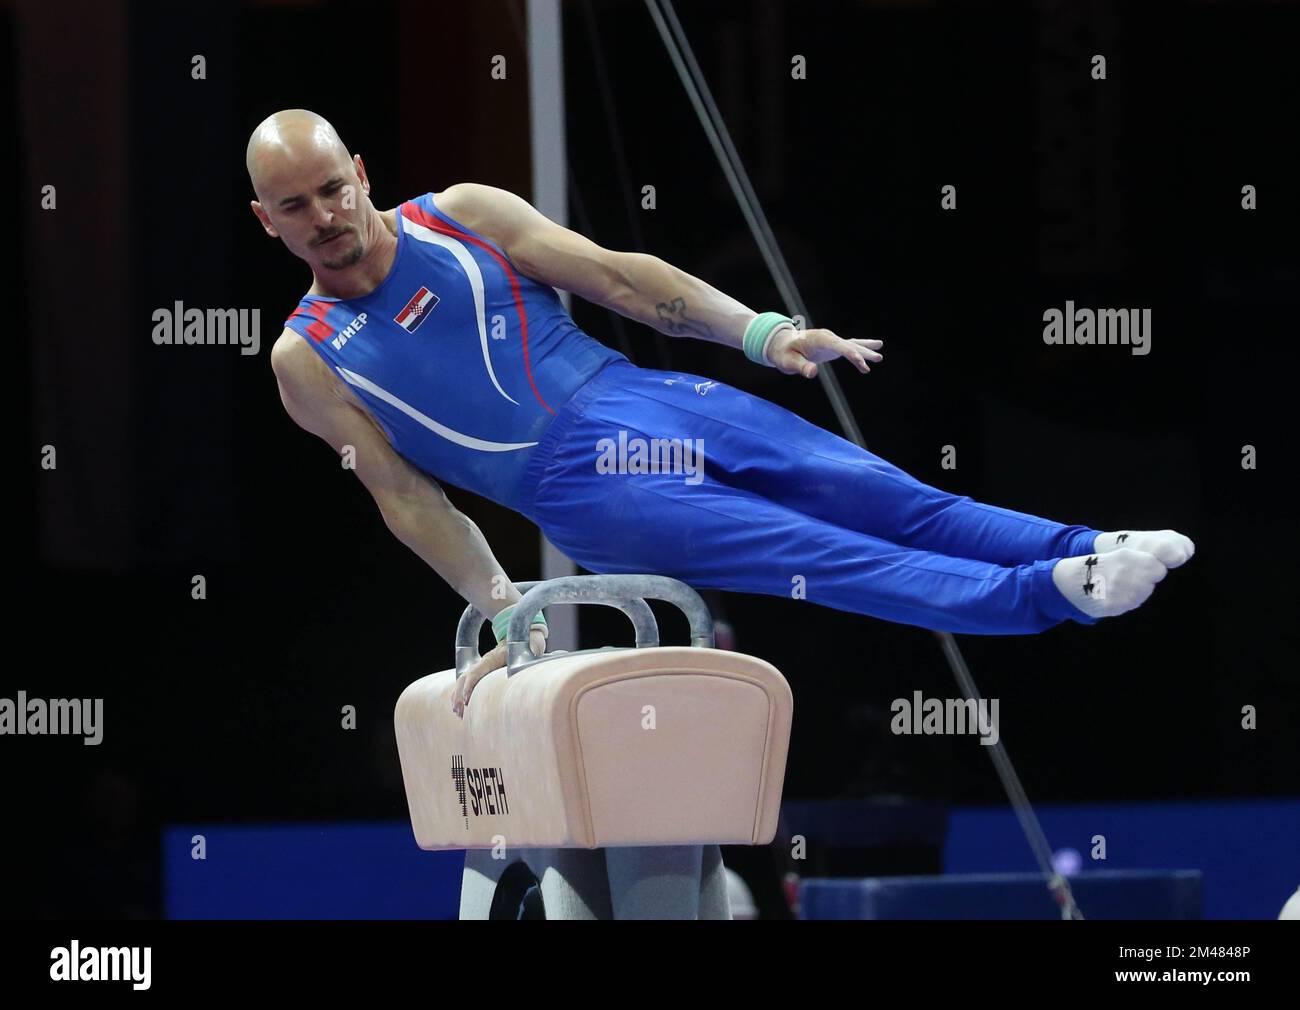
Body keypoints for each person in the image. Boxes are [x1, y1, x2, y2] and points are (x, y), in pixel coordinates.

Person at [249, 110, 1194, 713]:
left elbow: (621, 278)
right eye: (296, 207)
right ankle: (1046, 598)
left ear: (361, 170)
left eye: (333, 188)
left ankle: (1086, 545)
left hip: (644, 394)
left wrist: (760, 333)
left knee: (879, 493)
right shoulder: (309, 356)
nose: (325, 215)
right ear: (268, 221)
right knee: (824, 555)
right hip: (582, 491)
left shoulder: (460, 214)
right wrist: (501, 605)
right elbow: (407, 498)